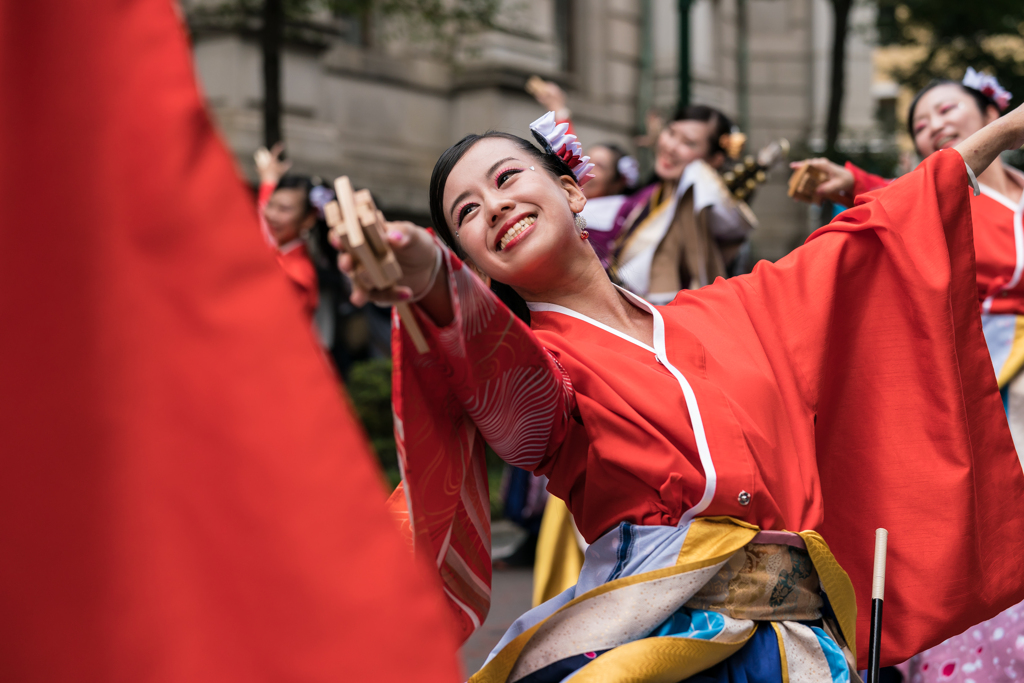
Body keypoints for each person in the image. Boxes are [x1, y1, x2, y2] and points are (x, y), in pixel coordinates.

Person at [339, 106, 1024, 681]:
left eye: (507, 177)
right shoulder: (544, 364)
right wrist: (427, 275)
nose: (494, 205)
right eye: (467, 212)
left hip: (803, 647)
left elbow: (873, 236)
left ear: (574, 192)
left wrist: (1004, 130)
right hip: (655, 645)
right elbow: (509, 395)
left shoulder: (734, 308)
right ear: (474, 262)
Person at [792, 68, 1024, 683]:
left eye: (945, 111)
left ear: (991, 111)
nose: (933, 127)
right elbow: (905, 202)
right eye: (920, 125)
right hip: (981, 383)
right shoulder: (943, 202)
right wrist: (852, 182)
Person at [254, 143, 320, 318]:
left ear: (308, 219)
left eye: (284, 209)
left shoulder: (298, 276)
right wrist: (268, 181)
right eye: (271, 205)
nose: (271, 215)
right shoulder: (278, 250)